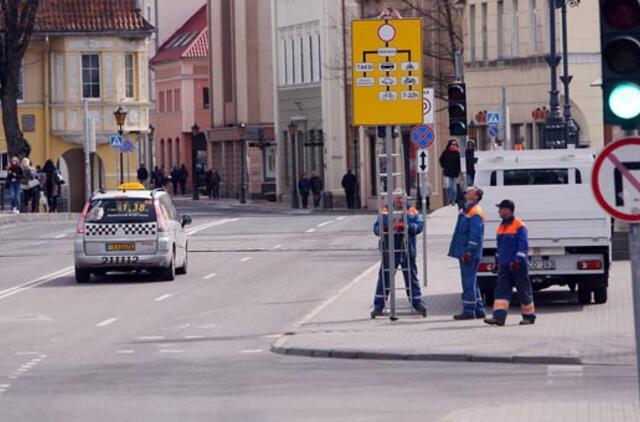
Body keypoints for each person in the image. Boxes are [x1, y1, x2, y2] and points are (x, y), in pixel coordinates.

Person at [371, 195, 427, 318]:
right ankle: (378, 305)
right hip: (390, 250)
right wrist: (384, 229)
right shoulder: (385, 210)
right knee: (385, 277)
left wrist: (407, 227)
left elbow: (420, 226)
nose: (400, 200)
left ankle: (417, 303)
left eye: (402, 198)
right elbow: (375, 228)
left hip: (407, 248)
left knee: (411, 277)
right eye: (397, 198)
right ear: (393, 199)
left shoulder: (411, 210)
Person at [484, 200, 536, 326]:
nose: (499, 211)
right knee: (501, 291)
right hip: (504, 265)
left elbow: (523, 247)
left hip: (518, 266)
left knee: (523, 291)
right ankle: (498, 318)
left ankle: (529, 317)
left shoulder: (520, 226)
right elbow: (499, 247)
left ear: (508, 210)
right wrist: (497, 262)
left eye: (501, 208)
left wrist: (517, 260)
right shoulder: (501, 227)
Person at [448, 186, 486, 320]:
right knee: (472, 280)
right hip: (465, 251)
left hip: (468, 253)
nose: (466, 192)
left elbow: (476, 235)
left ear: (476, 196)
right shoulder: (468, 209)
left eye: (469, 191)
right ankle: (479, 309)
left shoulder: (475, 212)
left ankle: (469, 310)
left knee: (468, 281)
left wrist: (468, 251)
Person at [439, 139, 461, 205]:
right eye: (452, 144)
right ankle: (449, 199)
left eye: (455, 144)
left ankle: (453, 200)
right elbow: (441, 159)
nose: (453, 146)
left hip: (455, 173)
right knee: (449, 186)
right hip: (447, 172)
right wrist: (444, 166)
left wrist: (459, 170)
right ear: (449, 145)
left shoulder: (457, 153)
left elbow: (460, 163)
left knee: (454, 188)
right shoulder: (446, 152)